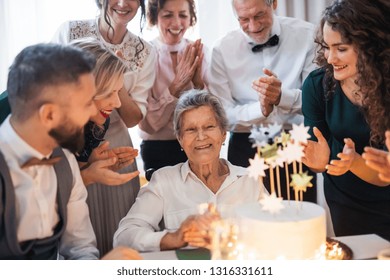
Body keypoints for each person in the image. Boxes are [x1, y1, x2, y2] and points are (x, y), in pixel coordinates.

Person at [0, 43, 141, 260]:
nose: (93, 112)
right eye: (86, 104)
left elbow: (80, 249)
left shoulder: (66, 163)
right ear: (49, 115)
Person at [52, 0, 156, 255]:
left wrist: (112, 75)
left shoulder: (145, 50)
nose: (122, 3)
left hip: (110, 144)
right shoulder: (69, 31)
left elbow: (133, 118)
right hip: (70, 136)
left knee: (112, 229)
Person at [113, 89, 265, 252]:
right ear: (180, 139)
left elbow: (275, 229)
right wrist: (175, 237)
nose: (201, 137)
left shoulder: (249, 180)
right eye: (191, 130)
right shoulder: (164, 181)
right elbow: (124, 237)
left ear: (223, 134)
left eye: (209, 127)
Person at [208, 0, 317, 201]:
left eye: (259, 15)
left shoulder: (307, 35)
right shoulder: (221, 50)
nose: (253, 26)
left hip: (295, 144)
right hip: (246, 147)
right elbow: (222, 115)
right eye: (243, 19)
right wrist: (260, 109)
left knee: (298, 218)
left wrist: (281, 97)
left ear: (274, 3)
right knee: (248, 220)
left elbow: (317, 100)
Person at [301, 0, 390, 240]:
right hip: (346, 201)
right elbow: (318, 159)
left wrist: (354, 161)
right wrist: (317, 163)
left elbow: (386, 174)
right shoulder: (317, 86)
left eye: (341, 49)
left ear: (371, 46)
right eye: (326, 47)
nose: (330, 58)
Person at [138, 0, 208, 172]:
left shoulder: (201, 51)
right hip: (157, 149)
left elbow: (213, 114)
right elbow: (148, 125)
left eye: (183, 15)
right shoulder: (144, 55)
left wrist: (198, 84)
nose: (177, 23)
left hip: (198, 144)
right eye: (168, 15)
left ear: (191, 18)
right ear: (154, 17)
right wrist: (175, 87)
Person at [69, 38, 140, 187]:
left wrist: (91, 163)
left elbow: (70, 182)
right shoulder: (43, 127)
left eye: (118, 91)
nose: (118, 103)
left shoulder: (96, 126)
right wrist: (88, 176)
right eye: (109, 93)